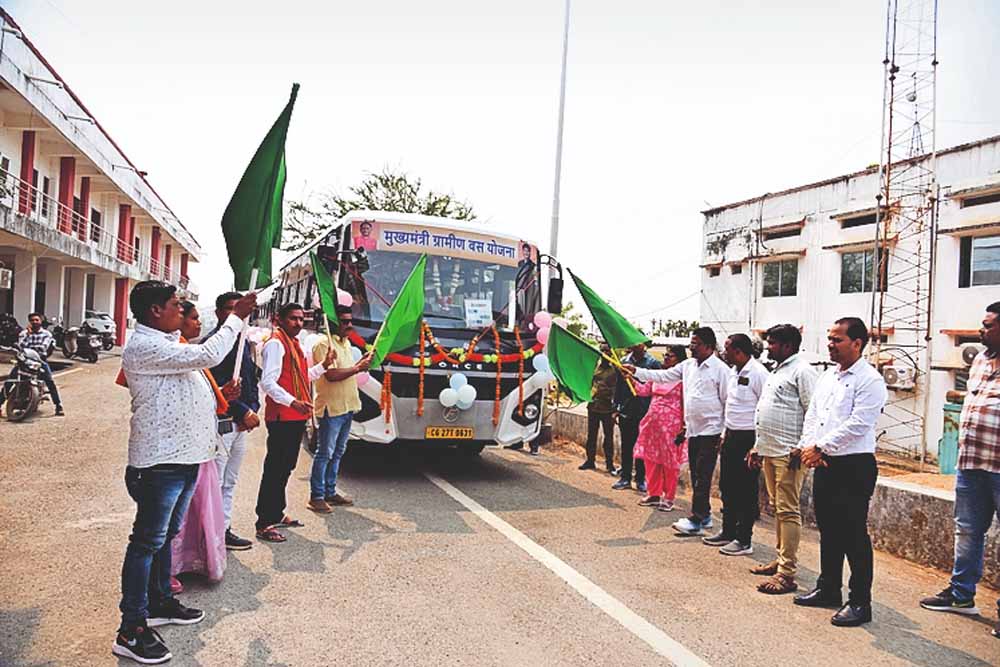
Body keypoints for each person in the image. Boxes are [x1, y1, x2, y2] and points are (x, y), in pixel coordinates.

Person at [112, 280, 255, 664]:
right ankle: (131, 628)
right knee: (146, 543)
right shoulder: (145, 345)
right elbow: (209, 354)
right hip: (160, 464)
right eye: (176, 304)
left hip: (185, 459)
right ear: (155, 311)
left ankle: (159, 601)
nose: (181, 310)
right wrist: (236, 319)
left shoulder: (171, 346)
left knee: (164, 538)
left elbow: (190, 392)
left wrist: (223, 393)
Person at [793, 317, 887, 628]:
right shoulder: (828, 377)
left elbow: (859, 423)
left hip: (853, 465)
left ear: (857, 343)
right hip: (825, 463)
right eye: (830, 339)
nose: (831, 345)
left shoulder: (870, 380)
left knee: (853, 534)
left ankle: (860, 601)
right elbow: (814, 415)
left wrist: (820, 447)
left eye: (837, 340)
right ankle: (828, 587)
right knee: (829, 530)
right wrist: (810, 446)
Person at [919, 301, 1000, 640]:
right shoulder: (980, 359)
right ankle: (961, 594)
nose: (981, 330)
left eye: (988, 325)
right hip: (971, 463)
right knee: (967, 530)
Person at [626, 327, 729, 536]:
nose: (692, 347)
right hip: (694, 430)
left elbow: (728, 401)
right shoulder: (688, 366)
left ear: (709, 346)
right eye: (691, 343)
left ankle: (697, 519)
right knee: (696, 473)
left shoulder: (720, 369)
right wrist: (635, 371)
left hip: (711, 430)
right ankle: (704, 515)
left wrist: (724, 433)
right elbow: (662, 376)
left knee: (703, 475)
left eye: (696, 344)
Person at [255, 302, 336, 543]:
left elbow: (302, 376)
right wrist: (293, 403)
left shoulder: (294, 343)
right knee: (275, 470)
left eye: (301, 319)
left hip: (295, 416)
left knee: (285, 468)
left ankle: (276, 513)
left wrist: (324, 366)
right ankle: (264, 522)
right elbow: (268, 383)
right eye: (293, 318)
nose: (298, 323)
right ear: (278, 319)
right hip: (283, 417)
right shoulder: (276, 344)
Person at [750, 324, 818, 596]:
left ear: (788, 346)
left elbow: (813, 411)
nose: (768, 347)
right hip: (770, 449)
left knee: (788, 511)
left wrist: (801, 447)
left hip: (789, 453)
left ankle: (787, 574)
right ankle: (780, 560)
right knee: (778, 509)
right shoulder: (778, 371)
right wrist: (758, 447)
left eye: (773, 343)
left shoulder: (803, 371)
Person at [169, 302, 230, 584]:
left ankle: (197, 561)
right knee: (177, 517)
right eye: (192, 318)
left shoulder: (186, 351)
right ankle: (170, 571)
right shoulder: (177, 352)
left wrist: (224, 393)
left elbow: (199, 396)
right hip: (183, 449)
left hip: (201, 445)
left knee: (200, 508)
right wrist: (238, 317)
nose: (197, 323)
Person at [205, 291, 262, 551]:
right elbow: (213, 386)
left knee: (230, 482)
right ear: (219, 313)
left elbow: (250, 383)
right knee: (214, 484)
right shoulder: (212, 345)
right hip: (222, 424)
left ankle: (224, 529)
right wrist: (242, 412)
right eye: (231, 309)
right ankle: (208, 535)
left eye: (241, 309)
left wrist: (252, 409)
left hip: (240, 426)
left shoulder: (243, 343)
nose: (237, 315)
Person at [703, 334, 768, 556]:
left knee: (746, 491)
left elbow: (764, 410)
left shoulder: (758, 373)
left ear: (739, 350)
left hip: (748, 438)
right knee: (727, 486)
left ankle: (744, 539)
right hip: (731, 435)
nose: (724, 351)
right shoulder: (732, 372)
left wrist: (758, 445)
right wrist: (723, 434)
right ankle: (728, 531)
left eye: (728, 348)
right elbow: (731, 406)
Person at [308, 305, 372, 513]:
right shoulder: (323, 344)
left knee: (338, 452)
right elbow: (331, 375)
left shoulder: (345, 343)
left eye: (350, 321)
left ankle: (330, 491)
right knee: (324, 453)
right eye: (344, 322)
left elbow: (349, 372)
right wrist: (357, 368)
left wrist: (361, 363)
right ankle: (316, 496)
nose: (349, 325)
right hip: (331, 408)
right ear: (333, 322)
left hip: (347, 407)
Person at [633, 345, 688, 512]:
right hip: (652, 424)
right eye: (665, 355)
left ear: (679, 360)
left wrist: (684, 425)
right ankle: (654, 493)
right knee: (651, 459)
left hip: (671, 426)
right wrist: (630, 378)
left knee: (670, 462)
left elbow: (686, 403)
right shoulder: (658, 376)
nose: (665, 358)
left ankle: (669, 497)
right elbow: (643, 391)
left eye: (670, 356)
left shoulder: (683, 380)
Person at [580, 344, 618, 472]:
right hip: (593, 406)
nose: (605, 353)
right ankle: (590, 461)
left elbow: (617, 390)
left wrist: (615, 408)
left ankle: (609, 464)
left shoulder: (615, 370)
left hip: (608, 409)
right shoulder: (594, 368)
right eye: (602, 351)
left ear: (611, 353)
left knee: (608, 437)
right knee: (591, 436)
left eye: (607, 351)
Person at [17, 312, 63, 415]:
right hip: (25, 360)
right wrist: (29, 335)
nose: (34, 322)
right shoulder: (24, 333)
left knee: (50, 381)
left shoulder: (46, 334)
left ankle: (58, 405)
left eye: (36, 320)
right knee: (11, 380)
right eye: (32, 320)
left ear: (41, 321)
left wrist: (33, 348)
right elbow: (21, 346)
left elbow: (43, 347)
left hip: (40, 360)